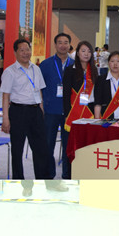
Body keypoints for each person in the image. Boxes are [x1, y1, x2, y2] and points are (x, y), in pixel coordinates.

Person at [1, 38, 51, 180]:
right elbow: (5, 96)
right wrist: (6, 118)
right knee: (17, 150)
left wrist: (41, 111)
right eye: (21, 50)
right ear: (15, 52)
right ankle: (19, 181)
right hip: (18, 112)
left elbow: (39, 91)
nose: (25, 53)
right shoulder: (10, 71)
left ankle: (42, 180)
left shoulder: (36, 69)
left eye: (27, 50)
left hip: (35, 111)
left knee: (41, 149)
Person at [38, 33, 72, 190]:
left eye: (66, 42)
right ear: (55, 45)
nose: (63, 45)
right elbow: (38, 88)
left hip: (69, 113)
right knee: (47, 145)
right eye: (60, 42)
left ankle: (67, 176)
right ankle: (49, 178)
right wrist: (41, 106)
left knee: (68, 147)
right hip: (50, 111)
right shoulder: (46, 64)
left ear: (69, 45)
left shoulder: (75, 64)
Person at [62, 40, 98, 180]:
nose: (86, 54)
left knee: (86, 147)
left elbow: (96, 95)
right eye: (83, 51)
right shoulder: (70, 70)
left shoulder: (94, 71)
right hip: (73, 115)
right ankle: (69, 177)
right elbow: (66, 94)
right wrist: (67, 114)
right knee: (72, 148)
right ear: (77, 53)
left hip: (89, 114)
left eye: (89, 51)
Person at [93, 51, 119, 120]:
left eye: (118, 61)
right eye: (112, 61)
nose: (115, 64)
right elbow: (98, 102)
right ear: (108, 63)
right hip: (107, 120)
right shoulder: (101, 80)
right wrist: (97, 120)